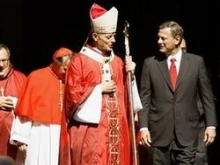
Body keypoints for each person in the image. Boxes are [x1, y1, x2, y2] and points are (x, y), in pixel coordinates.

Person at [63, 3, 136, 165]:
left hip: (117, 130)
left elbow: (127, 98)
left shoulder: (118, 62)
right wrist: (98, 89)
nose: (113, 40)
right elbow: (72, 98)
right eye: (108, 37)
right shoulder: (79, 61)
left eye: (114, 36)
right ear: (95, 37)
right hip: (93, 132)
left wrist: (130, 76)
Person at [138, 21, 217, 165]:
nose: (159, 41)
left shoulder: (196, 62)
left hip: (187, 134)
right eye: (158, 38)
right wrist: (143, 127)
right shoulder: (150, 64)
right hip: (159, 135)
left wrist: (211, 125)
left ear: (177, 39)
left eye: (163, 38)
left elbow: (207, 97)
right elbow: (145, 99)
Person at [10, 47, 74, 165]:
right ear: (55, 64)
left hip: (65, 133)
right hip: (40, 132)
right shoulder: (36, 77)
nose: (67, 72)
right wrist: (22, 138)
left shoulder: (74, 79)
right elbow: (25, 109)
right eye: (64, 69)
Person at [181, 38, 208, 165]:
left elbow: (206, 96)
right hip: (173, 127)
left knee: (199, 158)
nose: (181, 53)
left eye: (183, 49)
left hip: (196, 124)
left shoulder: (195, 65)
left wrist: (210, 125)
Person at [0, 43, 26, 160]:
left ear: (9, 60)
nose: (0, 65)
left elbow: (29, 109)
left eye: (4, 60)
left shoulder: (21, 79)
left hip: (12, 141)